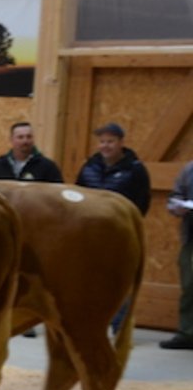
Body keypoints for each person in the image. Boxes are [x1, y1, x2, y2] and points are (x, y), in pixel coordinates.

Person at [76, 122, 151, 336]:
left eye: (110, 141)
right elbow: (77, 193)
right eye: (102, 141)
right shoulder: (89, 166)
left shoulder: (135, 169)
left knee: (119, 280)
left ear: (120, 143)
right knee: (87, 278)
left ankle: (120, 327)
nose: (105, 146)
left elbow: (142, 202)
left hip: (120, 234)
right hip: (88, 233)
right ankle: (87, 322)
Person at [161, 159, 193, 350]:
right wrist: (177, 206)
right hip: (191, 239)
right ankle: (187, 333)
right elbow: (175, 196)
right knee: (189, 285)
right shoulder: (189, 170)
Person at [0, 121, 64, 182]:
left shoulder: (47, 167)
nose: (25, 141)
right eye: (20, 137)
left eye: (29, 137)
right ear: (11, 139)